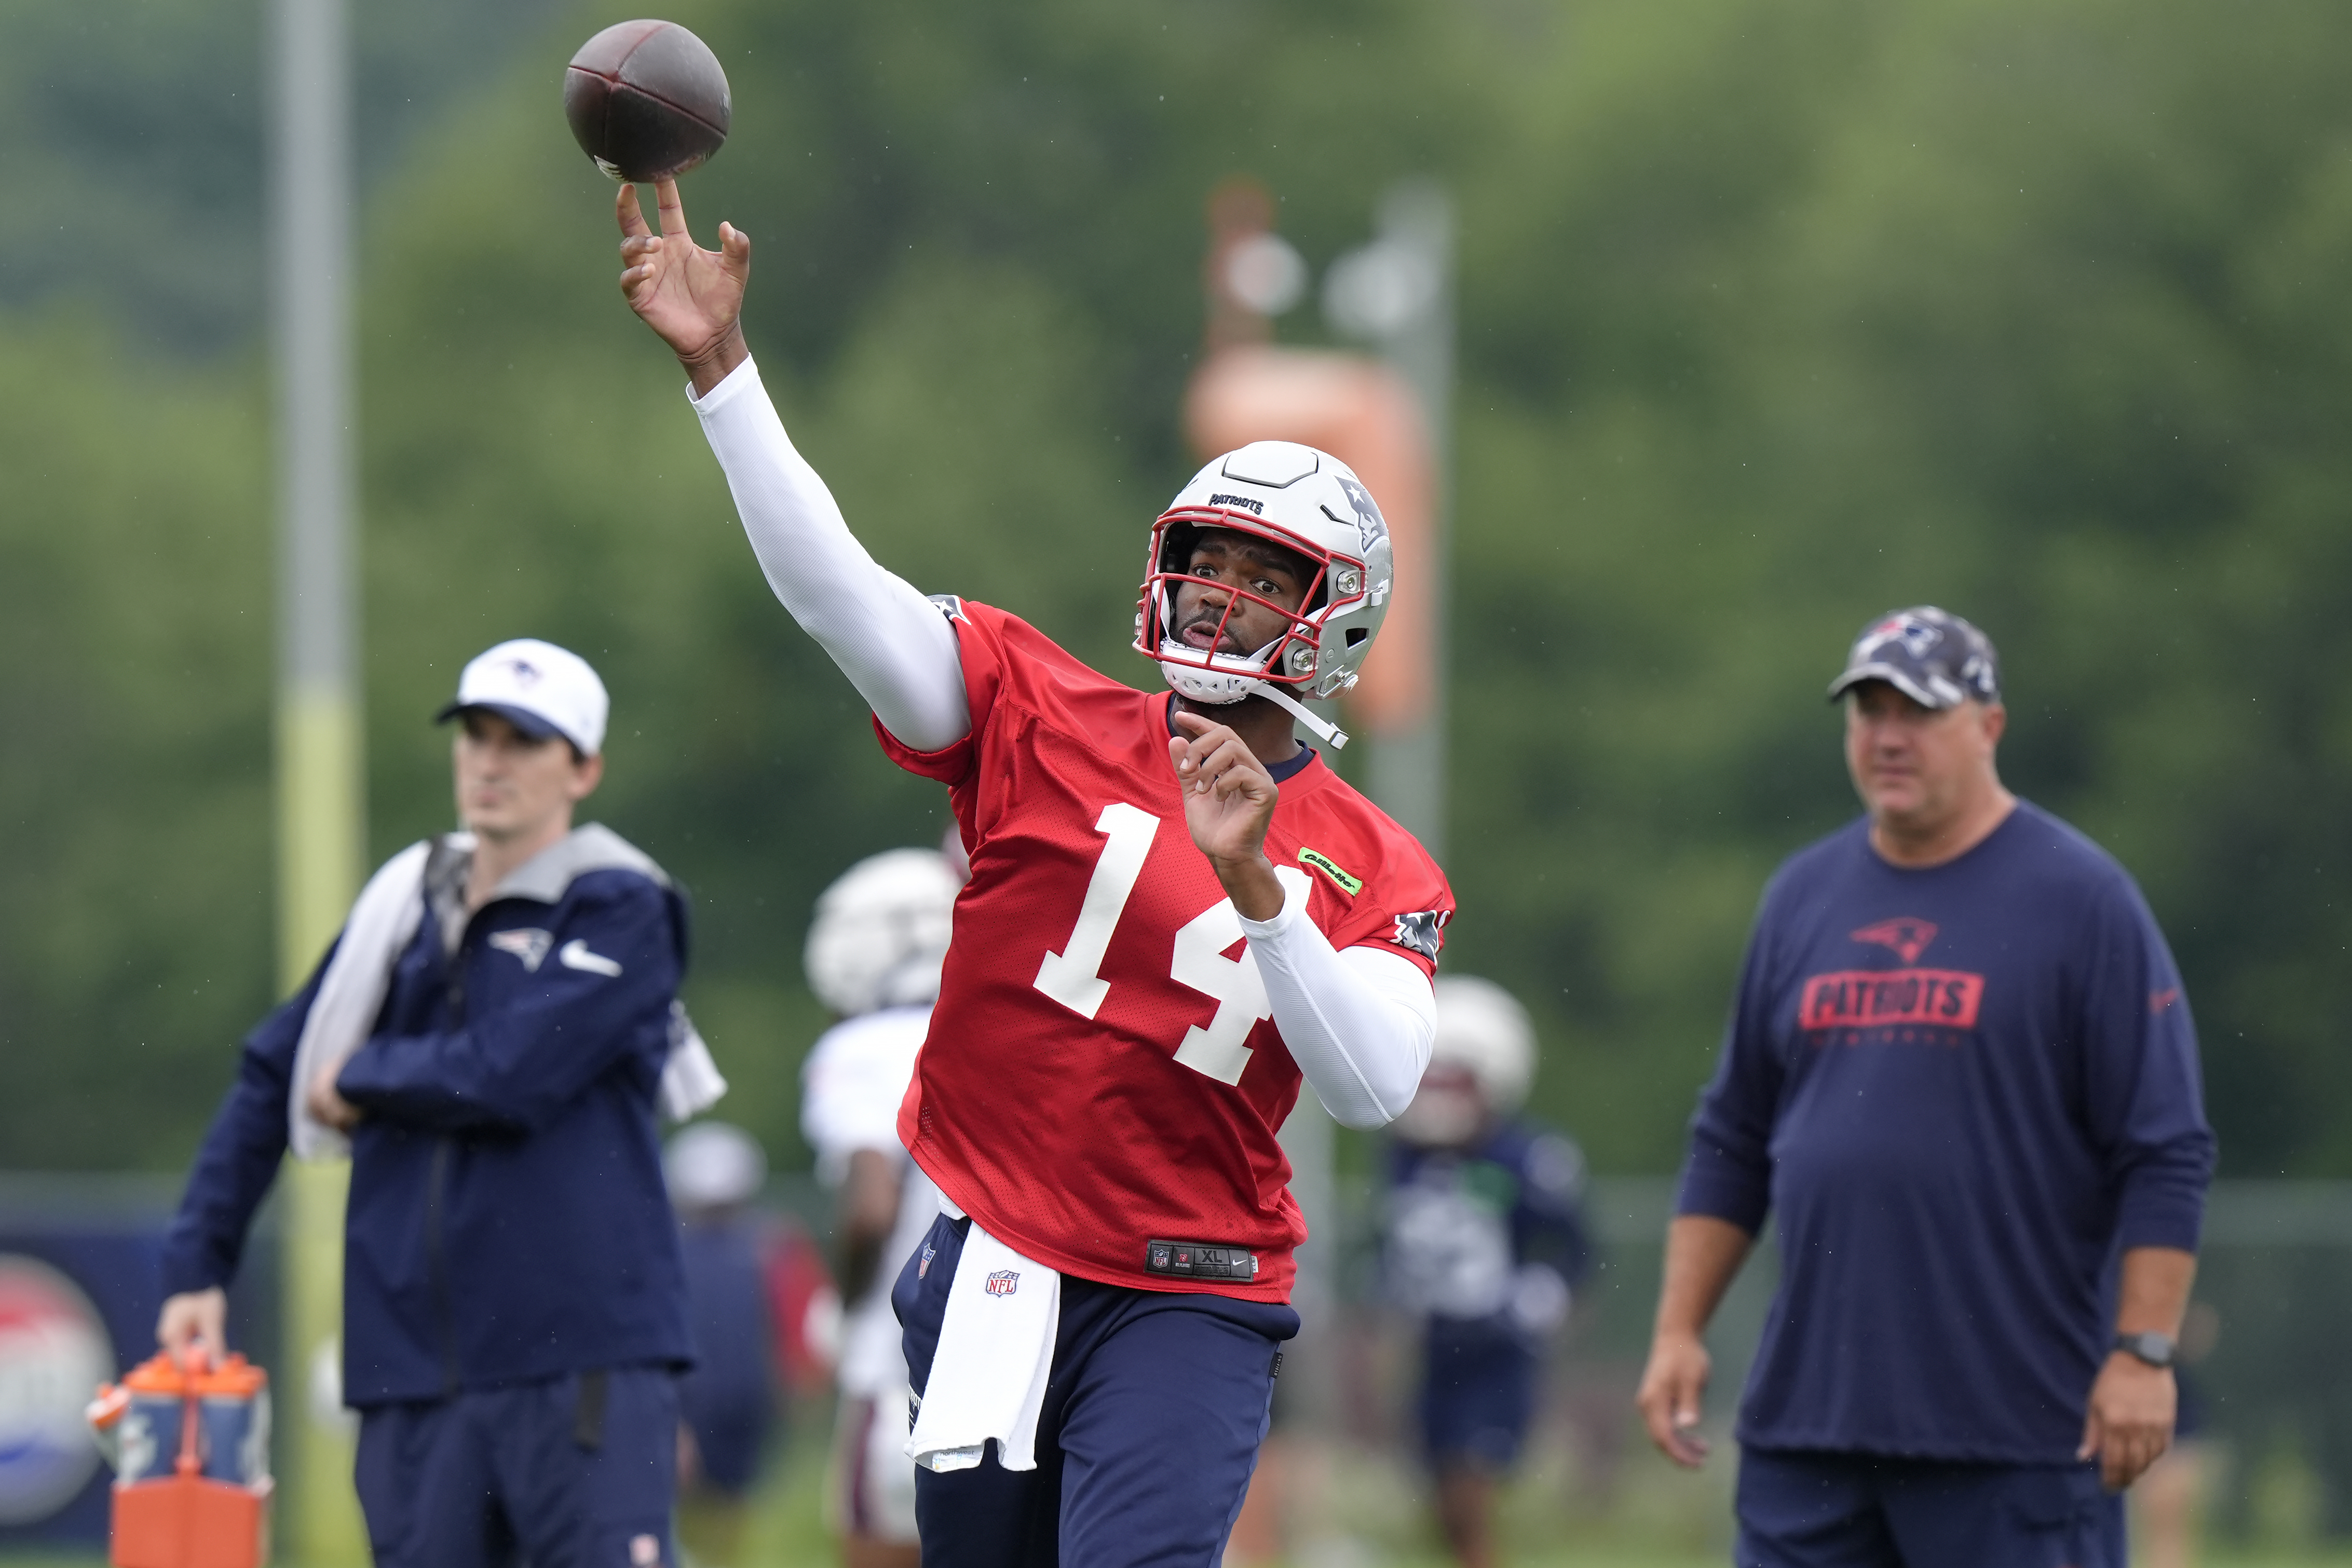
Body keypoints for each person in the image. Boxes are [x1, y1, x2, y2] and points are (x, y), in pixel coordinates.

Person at [610, 176, 1454, 1568]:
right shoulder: (1038, 709)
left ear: (1333, 618)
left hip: (1191, 1285)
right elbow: (841, 593)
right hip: (997, 1256)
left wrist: (1259, 886)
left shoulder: (1371, 857)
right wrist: (722, 374)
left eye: (1262, 576)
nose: (1220, 598)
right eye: (1208, 565)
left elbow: (1371, 1083)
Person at [1635, 607, 2217, 1568]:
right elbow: (1733, 1137)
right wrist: (1677, 1331)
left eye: (1918, 710)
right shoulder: (1802, 896)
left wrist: (2144, 1354)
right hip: (1810, 1431)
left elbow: (2165, 1147)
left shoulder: (2082, 899)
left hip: (2016, 1432)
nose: (1888, 735)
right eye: (1868, 709)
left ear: (1989, 726)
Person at [157, 639, 721, 1568]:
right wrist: (198, 1264)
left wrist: (361, 1079)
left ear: (584, 769)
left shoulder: (624, 905)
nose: (491, 761)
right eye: (477, 735)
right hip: (412, 1373)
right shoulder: (405, 908)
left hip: (581, 1362)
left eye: (525, 742)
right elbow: (274, 1075)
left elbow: (510, 1075)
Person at [1385, 976, 1592, 1568]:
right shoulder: (1402, 1157)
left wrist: (1541, 1298)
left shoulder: (1527, 1156)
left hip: (1496, 1347)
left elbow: (1574, 1249)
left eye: (1455, 1077)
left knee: (1469, 1493)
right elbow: (1390, 1246)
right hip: (1433, 1342)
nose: (1439, 1093)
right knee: (1441, 1511)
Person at [798, 847, 963, 1567]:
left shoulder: (862, 1048)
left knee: (877, 1546)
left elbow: (870, 1203)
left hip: (899, 1352)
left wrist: (842, 1303)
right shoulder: (988, 1028)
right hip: (1003, 1339)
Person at [665, 1121, 783, 1568]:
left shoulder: (680, 1254)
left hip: (708, 1395)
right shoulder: (763, 1249)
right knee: (725, 1502)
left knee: (707, 1503)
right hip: (734, 1394)